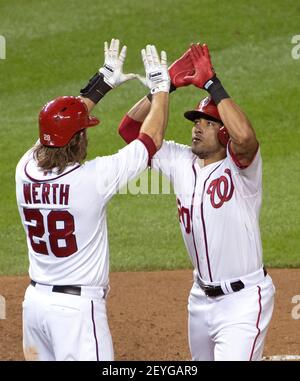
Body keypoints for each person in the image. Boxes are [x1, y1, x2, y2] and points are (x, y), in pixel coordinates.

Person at [118, 43, 275, 361]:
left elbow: (246, 139)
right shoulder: (178, 159)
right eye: (195, 121)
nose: (197, 127)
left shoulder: (240, 168)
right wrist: (166, 86)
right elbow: (131, 130)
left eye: (207, 122)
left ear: (224, 132)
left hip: (243, 301)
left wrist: (212, 84)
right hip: (200, 298)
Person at [15, 39, 170, 361]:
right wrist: (161, 90)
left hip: (34, 306)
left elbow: (58, 126)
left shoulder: (25, 168)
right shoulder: (92, 179)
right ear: (80, 138)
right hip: (75, 313)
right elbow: (150, 139)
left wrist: (102, 82)